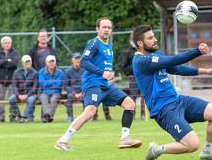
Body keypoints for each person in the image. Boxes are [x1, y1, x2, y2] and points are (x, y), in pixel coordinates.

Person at [132, 25, 212, 160]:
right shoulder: (140, 61)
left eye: (154, 36)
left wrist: (205, 71)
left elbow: (176, 68)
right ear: (140, 43)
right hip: (164, 110)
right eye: (150, 38)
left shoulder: (156, 55)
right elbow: (172, 60)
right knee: (192, 145)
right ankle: (157, 149)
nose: (155, 39)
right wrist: (197, 51)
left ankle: (207, 152)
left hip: (178, 101)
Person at [55, 17, 141, 151]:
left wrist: (109, 74)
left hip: (105, 85)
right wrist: (102, 73)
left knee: (130, 104)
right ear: (97, 29)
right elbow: (83, 62)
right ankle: (62, 141)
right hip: (92, 84)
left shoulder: (109, 47)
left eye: (109, 27)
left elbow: (103, 67)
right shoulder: (94, 43)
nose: (106, 30)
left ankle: (125, 138)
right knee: (90, 112)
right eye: (104, 27)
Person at [0, 36, 19, 122]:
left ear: (11, 44)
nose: (7, 44)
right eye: (5, 43)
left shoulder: (15, 53)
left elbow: (14, 64)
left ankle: (12, 116)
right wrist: (7, 60)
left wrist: (2, 62)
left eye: (8, 43)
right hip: (1, 79)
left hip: (12, 79)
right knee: (0, 99)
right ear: (2, 44)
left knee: (12, 98)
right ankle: (1, 117)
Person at [8, 55, 38, 123]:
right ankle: (17, 116)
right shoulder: (16, 72)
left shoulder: (35, 73)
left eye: (29, 61)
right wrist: (18, 95)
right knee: (11, 99)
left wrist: (27, 95)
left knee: (31, 100)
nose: (27, 63)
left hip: (31, 94)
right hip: (19, 94)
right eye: (26, 62)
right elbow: (14, 85)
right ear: (22, 63)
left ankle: (24, 117)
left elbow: (35, 87)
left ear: (31, 62)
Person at [121, 39, 146, 120]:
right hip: (133, 78)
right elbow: (124, 66)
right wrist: (131, 72)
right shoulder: (128, 52)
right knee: (133, 96)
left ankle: (143, 114)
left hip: (143, 77)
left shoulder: (143, 50)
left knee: (144, 96)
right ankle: (132, 114)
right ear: (131, 41)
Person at [38, 55, 63, 123]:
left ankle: (46, 116)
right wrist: (53, 82)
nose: (51, 63)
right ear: (46, 62)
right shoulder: (41, 71)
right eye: (50, 62)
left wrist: (48, 83)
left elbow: (59, 84)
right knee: (43, 98)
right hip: (44, 92)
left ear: (55, 62)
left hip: (56, 92)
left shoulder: (60, 72)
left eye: (53, 61)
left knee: (54, 99)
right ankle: (48, 117)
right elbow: (42, 84)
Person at [63, 53, 84, 123]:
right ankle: (70, 116)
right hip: (72, 92)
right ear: (72, 60)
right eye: (76, 59)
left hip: (83, 91)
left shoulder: (85, 70)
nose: (77, 60)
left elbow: (87, 83)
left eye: (79, 59)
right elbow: (65, 85)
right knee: (70, 97)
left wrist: (81, 93)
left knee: (87, 97)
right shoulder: (67, 71)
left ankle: (85, 117)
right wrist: (74, 93)